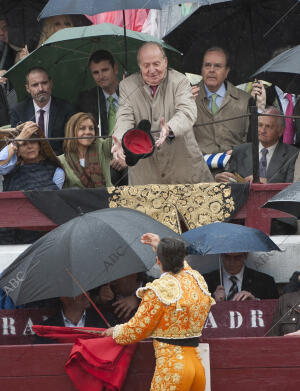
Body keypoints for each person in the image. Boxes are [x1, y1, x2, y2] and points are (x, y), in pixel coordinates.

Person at [101, 233, 215, 391]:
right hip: (196, 365)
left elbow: (137, 329)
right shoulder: (196, 279)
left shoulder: (159, 289)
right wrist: (160, 246)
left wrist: (115, 331)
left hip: (173, 368)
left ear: (158, 261)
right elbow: (182, 265)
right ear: (183, 258)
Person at [112, 41, 213, 185]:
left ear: (165, 62)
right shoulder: (127, 86)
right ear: (139, 66)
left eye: (156, 64)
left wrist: (170, 127)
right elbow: (124, 117)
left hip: (185, 173)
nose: (152, 70)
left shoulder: (180, 81)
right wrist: (121, 140)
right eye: (146, 66)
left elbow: (187, 111)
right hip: (146, 178)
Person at [0, 121, 64, 244]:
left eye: (33, 142)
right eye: (24, 143)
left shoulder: (56, 171)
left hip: (44, 230)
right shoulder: (10, 167)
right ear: (18, 150)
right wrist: (17, 140)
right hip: (13, 227)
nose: (29, 147)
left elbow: (54, 203)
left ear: (40, 146)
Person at [193, 47, 250, 168]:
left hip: (234, 174)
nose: (212, 70)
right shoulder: (187, 97)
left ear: (227, 71)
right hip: (199, 175)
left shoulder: (244, 100)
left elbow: (252, 143)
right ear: (202, 69)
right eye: (207, 65)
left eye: (217, 66)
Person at [77, 50, 127, 186]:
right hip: (101, 159)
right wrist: (105, 160)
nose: (100, 76)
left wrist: (125, 158)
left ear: (115, 68)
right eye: (95, 72)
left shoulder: (130, 94)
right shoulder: (87, 99)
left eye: (105, 70)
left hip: (129, 157)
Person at [215, 107, 299, 183]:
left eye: (268, 126)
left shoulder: (293, 154)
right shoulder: (239, 151)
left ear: (280, 131)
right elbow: (231, 179)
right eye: (260, 125)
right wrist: (222, 178)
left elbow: (291, 185)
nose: (262, 130)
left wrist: (267, 182)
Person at [10, 67, 76, 155]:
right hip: (29, 163)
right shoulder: (18, 111)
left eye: (44, 83)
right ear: (28, 88)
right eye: (35, 85)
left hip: (59, 161)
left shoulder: (67, 109)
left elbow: (71, 144)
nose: (40, 89)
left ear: (51, 83)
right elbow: (15, 144)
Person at [35, 293, 117, 343]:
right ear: (64, 298)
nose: (86, 294)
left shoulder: (105, 321)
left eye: (87, 290)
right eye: (80, 291)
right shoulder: (46, 329)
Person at [58, 112, 112, 188]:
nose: (88, 132)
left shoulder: (102, 146)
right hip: (78, 199)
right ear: (72, 131)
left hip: (106, 198)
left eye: (91, 128)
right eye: (82, 128)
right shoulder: (61, 161)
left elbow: (117, 133)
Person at [204, 252, 279, 302]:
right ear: (221, 255)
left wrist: (255, 302)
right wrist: (212, 301)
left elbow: (275, 311)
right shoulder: (204, 282)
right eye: (227, 257)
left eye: (237, 257)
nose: (232, 262)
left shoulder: (265, 282)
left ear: (246, 255)